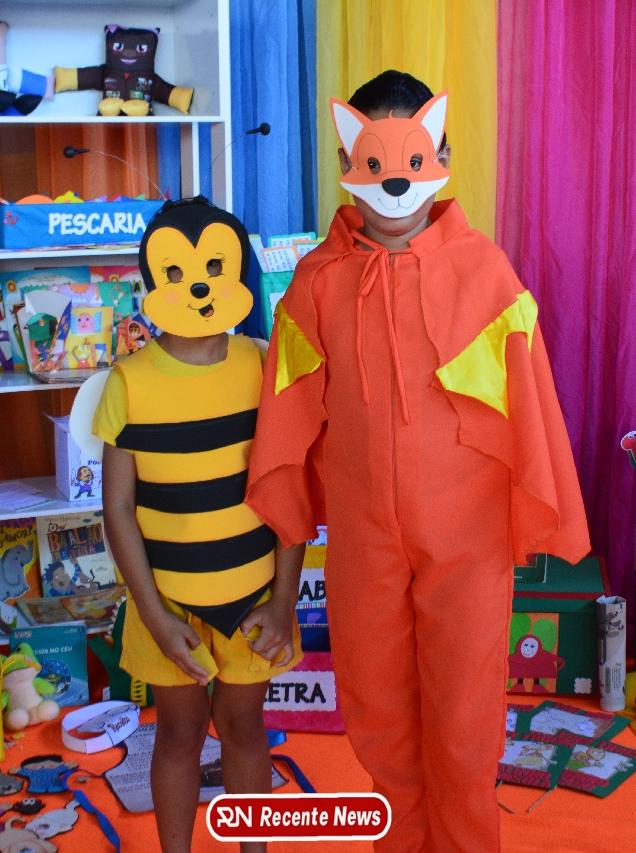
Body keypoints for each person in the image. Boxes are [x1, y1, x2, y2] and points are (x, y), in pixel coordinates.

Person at [247, 70, 590, 852]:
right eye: (373, 160)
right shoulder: (315, 285)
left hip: (467, 546)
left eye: (412, 157)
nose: (394, 182)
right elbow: (289, 436)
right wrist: (283, 582)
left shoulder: (486, 274)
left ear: (441, 158)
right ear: (348, 161)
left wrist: (532, 516)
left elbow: (531, 414)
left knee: (464, 729)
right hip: (364, 547)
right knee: (381, 721)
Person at [95, 197, 304, 853]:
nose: (200, 286)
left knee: (244, 726)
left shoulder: (263, 365)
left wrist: (283, 601)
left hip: (253, 599)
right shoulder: (128, 382)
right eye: (179, 272)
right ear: (153, 282)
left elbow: (288, 489)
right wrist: (155, 616)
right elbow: (117, 508)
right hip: (168, 603)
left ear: (238, 272)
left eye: (214, 266)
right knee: (180, 733)